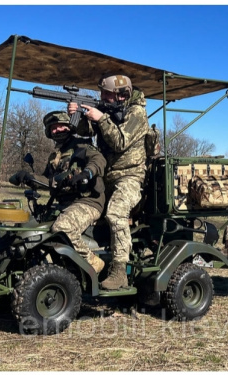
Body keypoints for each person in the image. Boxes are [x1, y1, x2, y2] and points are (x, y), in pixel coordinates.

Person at [68, 73, 149, 290]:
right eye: (101, 93)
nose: (102, 96)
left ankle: (119, 271)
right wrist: (77, 117)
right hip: (107, 177)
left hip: (130, 177)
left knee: (115, 213)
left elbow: (120, 142)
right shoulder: (108, 110)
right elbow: (87, 132)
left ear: (122, 96)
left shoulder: (137, 113)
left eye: (106, 94)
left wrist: (100, 117)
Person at [41, 110, 107, 274]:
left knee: (63, 227)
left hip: (89, 201)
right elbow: (48, 181)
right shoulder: (55, 156)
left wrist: (87, 172)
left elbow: (99, 160)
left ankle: (92, 261)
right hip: (65, 204)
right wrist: (27, 177)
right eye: (53, 128)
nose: (57, 130)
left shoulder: (81, 146)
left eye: (61, 126)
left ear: (69, 127)